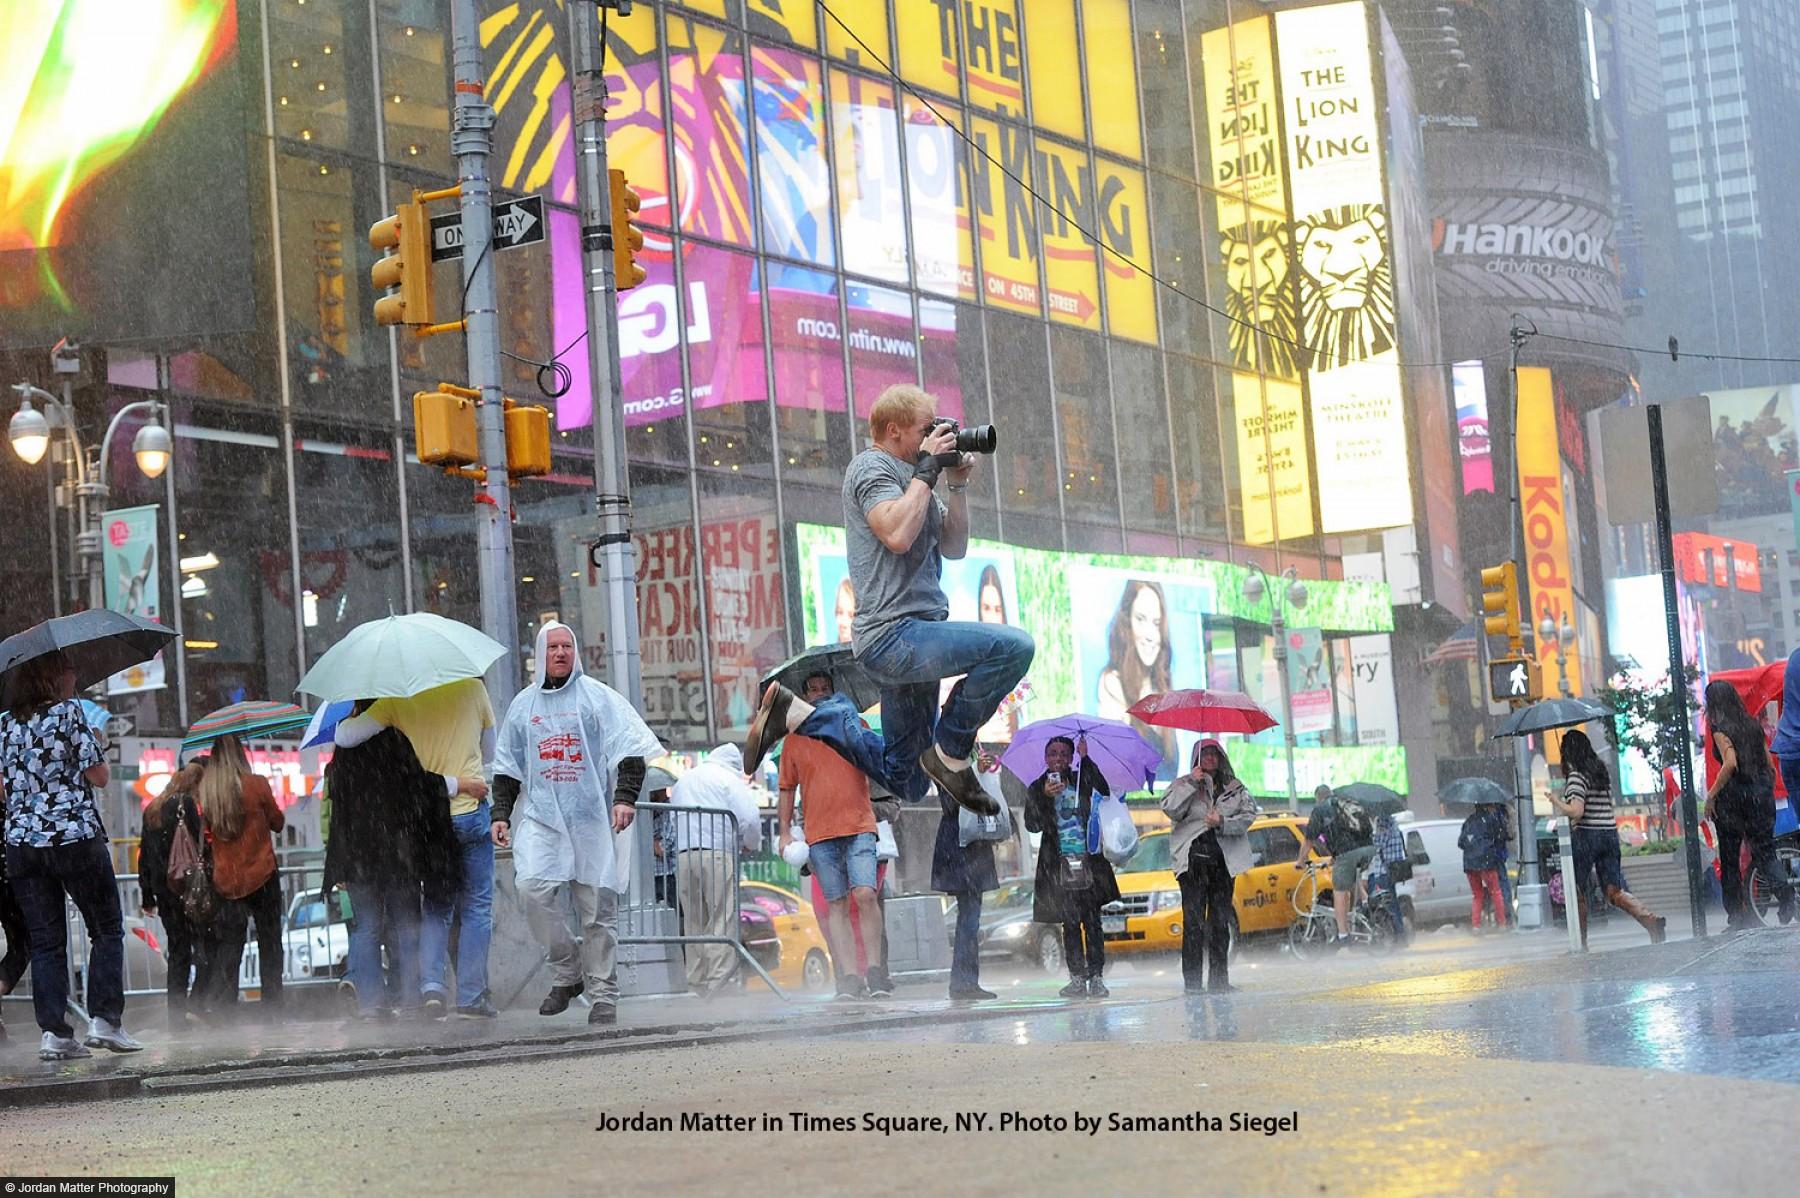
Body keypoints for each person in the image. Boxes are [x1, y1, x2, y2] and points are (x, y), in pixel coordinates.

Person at [744, 384, 1035, 817]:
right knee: (1014, 646)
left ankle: (802, 713)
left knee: (910, 781)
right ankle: (953, 752)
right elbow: (896, 536)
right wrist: (927, 471)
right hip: (893, 636)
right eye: (927, 430)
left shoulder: (917, 479)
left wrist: (957, 487)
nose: (936, 437)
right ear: (894, 430)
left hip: (917, 639)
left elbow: (954, 547)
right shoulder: (871, 467)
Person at [493, 623, 662, 1025]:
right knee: (531, 890)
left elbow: (630, 749)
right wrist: (500, 813)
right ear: (540, 653)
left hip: (590, 822)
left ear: (575, 652)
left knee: (597, 913)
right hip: (542, 820)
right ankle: (568, 970)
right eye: (553, 646)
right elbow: (507, 767)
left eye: (567, 645)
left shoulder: (597, 698)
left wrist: (624, 798)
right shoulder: (523, 706)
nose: (560, 652)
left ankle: (603, 994)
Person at [0, 652, 142, 1058]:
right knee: (106, 928)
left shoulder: (5, 725)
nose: (75, 674)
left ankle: (56, 1034)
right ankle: (105, 1021)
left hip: (23, 844)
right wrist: (93, 750)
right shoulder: (69, 715)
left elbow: (3, 790)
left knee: (46, 942)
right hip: (73, 837)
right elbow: (98, 777)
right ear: (52, 677)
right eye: (69, 669)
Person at [334, 675, 497, 1018]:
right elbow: (485, 755)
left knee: (377, 924)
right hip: (403, 845)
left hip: (370, 848)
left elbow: (344, 738)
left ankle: (391, 999)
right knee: (458, 912)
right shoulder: (468, 691)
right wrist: (466, 779)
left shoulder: (391, 713)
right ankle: (450, 996)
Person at [320, 707, 469, 1019]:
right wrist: (456, 784)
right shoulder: (396, 739)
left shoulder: (343, 754)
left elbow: (337, 813)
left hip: (359, 856)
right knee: (406, 926)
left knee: (366, 929)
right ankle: (413, 1001)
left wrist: (340, 860)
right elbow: (420, 788)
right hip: (397, 855)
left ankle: (372, 1006)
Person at [777, 669, 889, 999]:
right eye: (813, 690)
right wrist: (784, 832)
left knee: (866, 894)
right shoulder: (794, 738)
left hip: (859, 825)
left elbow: (877, 762)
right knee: (837, 904)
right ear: (804, 696)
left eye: (825, 688)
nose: (820, 694)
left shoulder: (854, 724)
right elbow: (786, 789)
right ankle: (850, 977)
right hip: (820, 833)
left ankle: (876, 971)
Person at [193, 733, 287, 1019]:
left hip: (227, 880)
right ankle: (272, 1006)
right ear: (240, 754)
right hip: (261, 873)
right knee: (270, 942)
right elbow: (278, 823)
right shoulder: (256, 784)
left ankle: (225, 1009)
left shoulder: (209, 792)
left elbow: (208, 834)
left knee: (231, 945)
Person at [1548, 730, 1667, 947]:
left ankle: (1580, 944)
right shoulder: (1600, 773)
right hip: (1609, 835)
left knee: (1576, 890)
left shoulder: (1576, 777)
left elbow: (1577, 812)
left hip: (1587, 836)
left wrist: (1557, 801)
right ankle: (1650, 920)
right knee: (1614, 891)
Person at [1024, 736, 1119, 998]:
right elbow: (1032, 825)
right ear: (1046, 759)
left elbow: (1104, 790)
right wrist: (1044, 798)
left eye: (1064, 754)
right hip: (1058, 866)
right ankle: (1077, 977)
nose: (1058, 759)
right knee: (1069, 923)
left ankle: (1097, 977)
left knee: (1093, 922)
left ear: (1070, 757)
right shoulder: (1037, 787)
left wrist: (1086, 758)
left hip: (1089, 861)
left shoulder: (1081, 779)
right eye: (1053, 753)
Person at [1161, 739, 1257, 994]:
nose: (1210, 758)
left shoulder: (1235, 788)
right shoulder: (1183, 783)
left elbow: (1248, 816)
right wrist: (1192, 783)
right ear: (1196, 757)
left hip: (1222, 865)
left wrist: (1222, 822)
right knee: (1193, 924)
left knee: (1219, 923)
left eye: (1214, 753)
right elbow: (1170, 808)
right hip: (1192, 865)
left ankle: (1219, 980)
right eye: (1205, 754)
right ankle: (1192, 984)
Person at [668, 744, 763, 998]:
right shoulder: (727, 779)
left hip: (685, 855)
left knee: (694, 921)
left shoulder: (685, 780)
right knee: (722, 917)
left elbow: (672, 820)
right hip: (718, 853)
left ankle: (697, 982)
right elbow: (750, 818)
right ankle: (720, 983)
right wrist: (749, 844)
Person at [1704, 680, 1798, 927]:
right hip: (1760, 796)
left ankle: (1736, 916)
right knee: (1764, 851)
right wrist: (1763, 788)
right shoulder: (1752, 725)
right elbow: (1768, 762)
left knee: (1730, 858)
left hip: (1733, 803)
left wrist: (1712, 795)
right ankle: (1786, 895)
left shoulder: (1720, 728)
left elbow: (1731, 762)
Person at [138, 763, 206, 1027]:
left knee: (177, 950)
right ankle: (196, 1006)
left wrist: (147, 896)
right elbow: (197, 848)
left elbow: (144, 856)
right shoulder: (186, 805)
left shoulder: (153, 808)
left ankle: (176, 1016)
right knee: (203, 945)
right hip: (186, 887)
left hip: (163, 890)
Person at [934, 762, 1002, 1002]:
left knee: (970, 918)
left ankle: (965, 981)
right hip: (960, 848)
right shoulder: (945, 763)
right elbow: (952, 802)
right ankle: (964, 982)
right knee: (969, 919)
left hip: (974, 848)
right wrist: (975, 775)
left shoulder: (965, 762)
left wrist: (980, 773)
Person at [1096, 579, 1177, 765]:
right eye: (1140, 620)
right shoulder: (1112, 684)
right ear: (1127, 623)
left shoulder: (1165, 690)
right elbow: (1110, 764)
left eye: (1156, 624)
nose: (1149, 635)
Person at [1293, 785, 1375, 947]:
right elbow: (1346, 832)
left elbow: (1309, 840)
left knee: (1339, 890)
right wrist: (1334, 857)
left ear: (1318, 797)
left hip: (1348, 852)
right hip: (1368, 849)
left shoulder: (1320, 810)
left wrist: (1300, 862)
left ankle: (1343, 934)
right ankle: (1366, 902)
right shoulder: (1344, 802)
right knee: (1349, 874)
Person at [1458, 803, 1508, 931]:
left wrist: (1473, 848)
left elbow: (1461, 842)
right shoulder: (1491, 819)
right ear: (1487, 807)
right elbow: (1500, 836)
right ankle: (1501, 923)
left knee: (1477, 895)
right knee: (1495, 891)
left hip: (1470, 864)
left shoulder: (1468, 822)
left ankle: (1476, 925)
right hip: (1487, 861)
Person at [1368, 810, 1409, 945]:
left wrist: (1373, 831)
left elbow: (1375, 846)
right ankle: (1401, 934)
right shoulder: (1396, 828)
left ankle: (1398, 936)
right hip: (1393, 871)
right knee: (1394, 903)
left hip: (1384, 872)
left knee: (1387, 904)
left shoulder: (1385, 826)